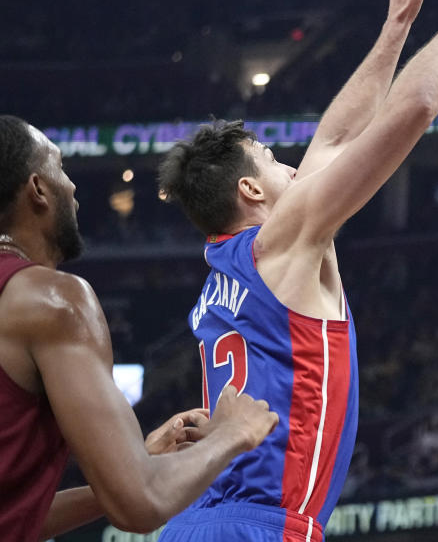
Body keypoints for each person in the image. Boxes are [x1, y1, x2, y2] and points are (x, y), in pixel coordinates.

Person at [156, 0, 438, 541]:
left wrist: (395, 29)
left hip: (195, 519)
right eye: (273, 160)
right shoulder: (280, 244)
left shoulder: (227, 269)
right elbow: (414, 109)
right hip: (260, 523)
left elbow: (334, 140)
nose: (292, 165)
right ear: (250, 192)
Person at [0, 116, 280, 542]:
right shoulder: (51, 299)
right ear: (38, 188)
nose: (73, 188)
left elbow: (15, 518)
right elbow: (143, 505)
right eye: (60, 167)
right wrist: (231, 435)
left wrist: (134, 468)